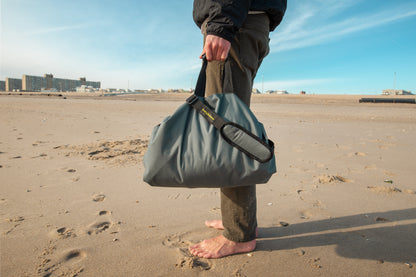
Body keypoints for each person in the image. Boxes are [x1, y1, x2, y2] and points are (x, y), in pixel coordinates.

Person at [189, 0, 287, 259]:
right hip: (243, 22)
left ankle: (239, 233)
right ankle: (239, 219)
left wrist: (221, 24)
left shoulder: (228, 24)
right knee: (230, 128)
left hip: (235, 24)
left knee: (228, 133)